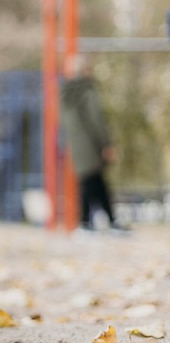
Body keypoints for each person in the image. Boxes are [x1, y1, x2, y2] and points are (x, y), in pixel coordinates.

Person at [60, 55, 127, 233]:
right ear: (86, 70)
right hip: (91, 144)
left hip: (77, 144)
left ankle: (100, 222)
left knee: (93, 181)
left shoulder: (66, 92)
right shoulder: (87, 91)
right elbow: (96, 119)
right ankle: (88, 223)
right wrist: (106, 144)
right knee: (92, 182)